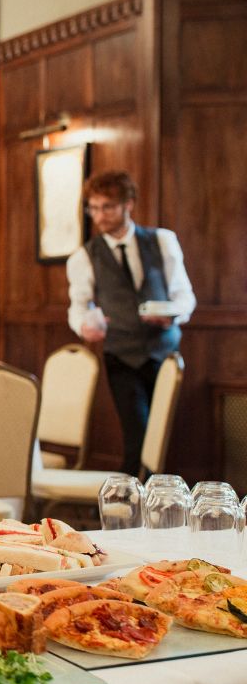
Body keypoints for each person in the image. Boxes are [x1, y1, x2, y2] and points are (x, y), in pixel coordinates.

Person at [67, 170, 195, 476]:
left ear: (129, 205)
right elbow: (78, 307)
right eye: (93, 208)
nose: (99, 216)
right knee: (136, 435)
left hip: (165, 355)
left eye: (107, 207)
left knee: (163, 439)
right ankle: (131, 508)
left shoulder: (162, 241)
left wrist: (172, 314)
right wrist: (85, 326)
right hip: (121, 356)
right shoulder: (84, 256)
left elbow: (184, 295)